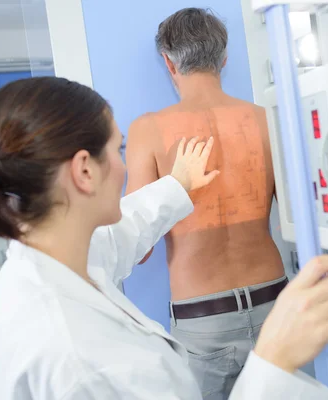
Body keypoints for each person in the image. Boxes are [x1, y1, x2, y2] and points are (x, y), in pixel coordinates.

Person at [0, 76, 328, 399]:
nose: (124, 163)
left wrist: (177, 185)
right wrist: (272, 360)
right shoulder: (82, 363)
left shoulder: (45, 263)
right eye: (118, 149)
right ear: (84, 171)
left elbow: (124, 233)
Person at [125, 8, 288, 398]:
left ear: (168, 62)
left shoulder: (147, 130)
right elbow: (299, 214)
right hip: (276, 304)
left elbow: (139, 247)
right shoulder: (266, 120)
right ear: (224, 58)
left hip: (203, 321)